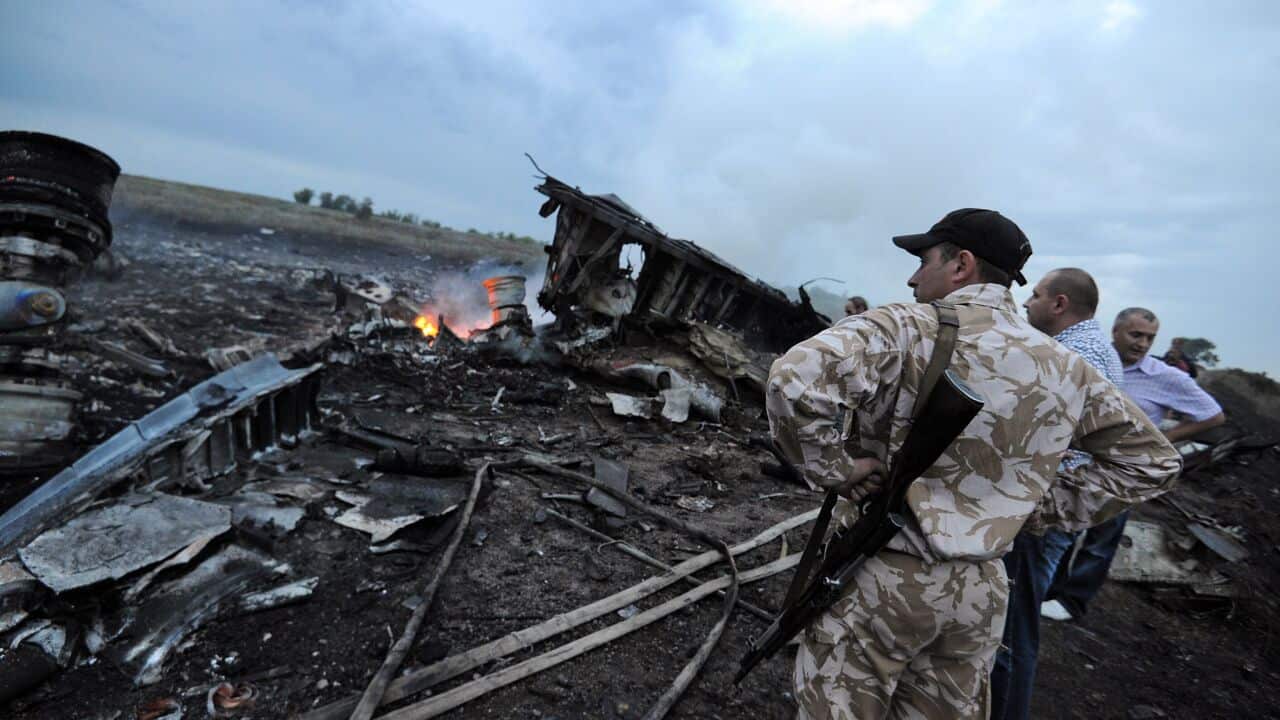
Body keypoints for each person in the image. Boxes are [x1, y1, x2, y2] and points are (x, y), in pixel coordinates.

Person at [767, 208, 1181, 719]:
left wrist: (837, 469)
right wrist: (1033, 507)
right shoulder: (1067, 368)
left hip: (884, 572)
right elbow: (1152, 462)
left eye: (923, 261)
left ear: (961, 265)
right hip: (981, 594)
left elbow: (793, 380)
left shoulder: (906, 326)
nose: (913, 278)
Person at [988, 268, 1124, 720]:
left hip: (1042, 505)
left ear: (1060, 304)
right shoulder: (1093, 349)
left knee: (1010, 629)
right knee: (1013, 620)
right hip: (1055, 500)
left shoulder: (1074, 355)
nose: (1027, 302)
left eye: (1036, 295)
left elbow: (1043, 438)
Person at [1044, 307, 1225, 620]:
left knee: (1102, 538)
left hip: (1122, 471)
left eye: (1150, 338)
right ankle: (1049, 591)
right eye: (1136, 334)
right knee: (1063, 526)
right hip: (1079, 463)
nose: (1142, 343)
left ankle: (1073, 602)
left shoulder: (1165, 377)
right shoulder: (1096, 359)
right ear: (1115, 331)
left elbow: (1213, 415)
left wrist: (1162, 439)